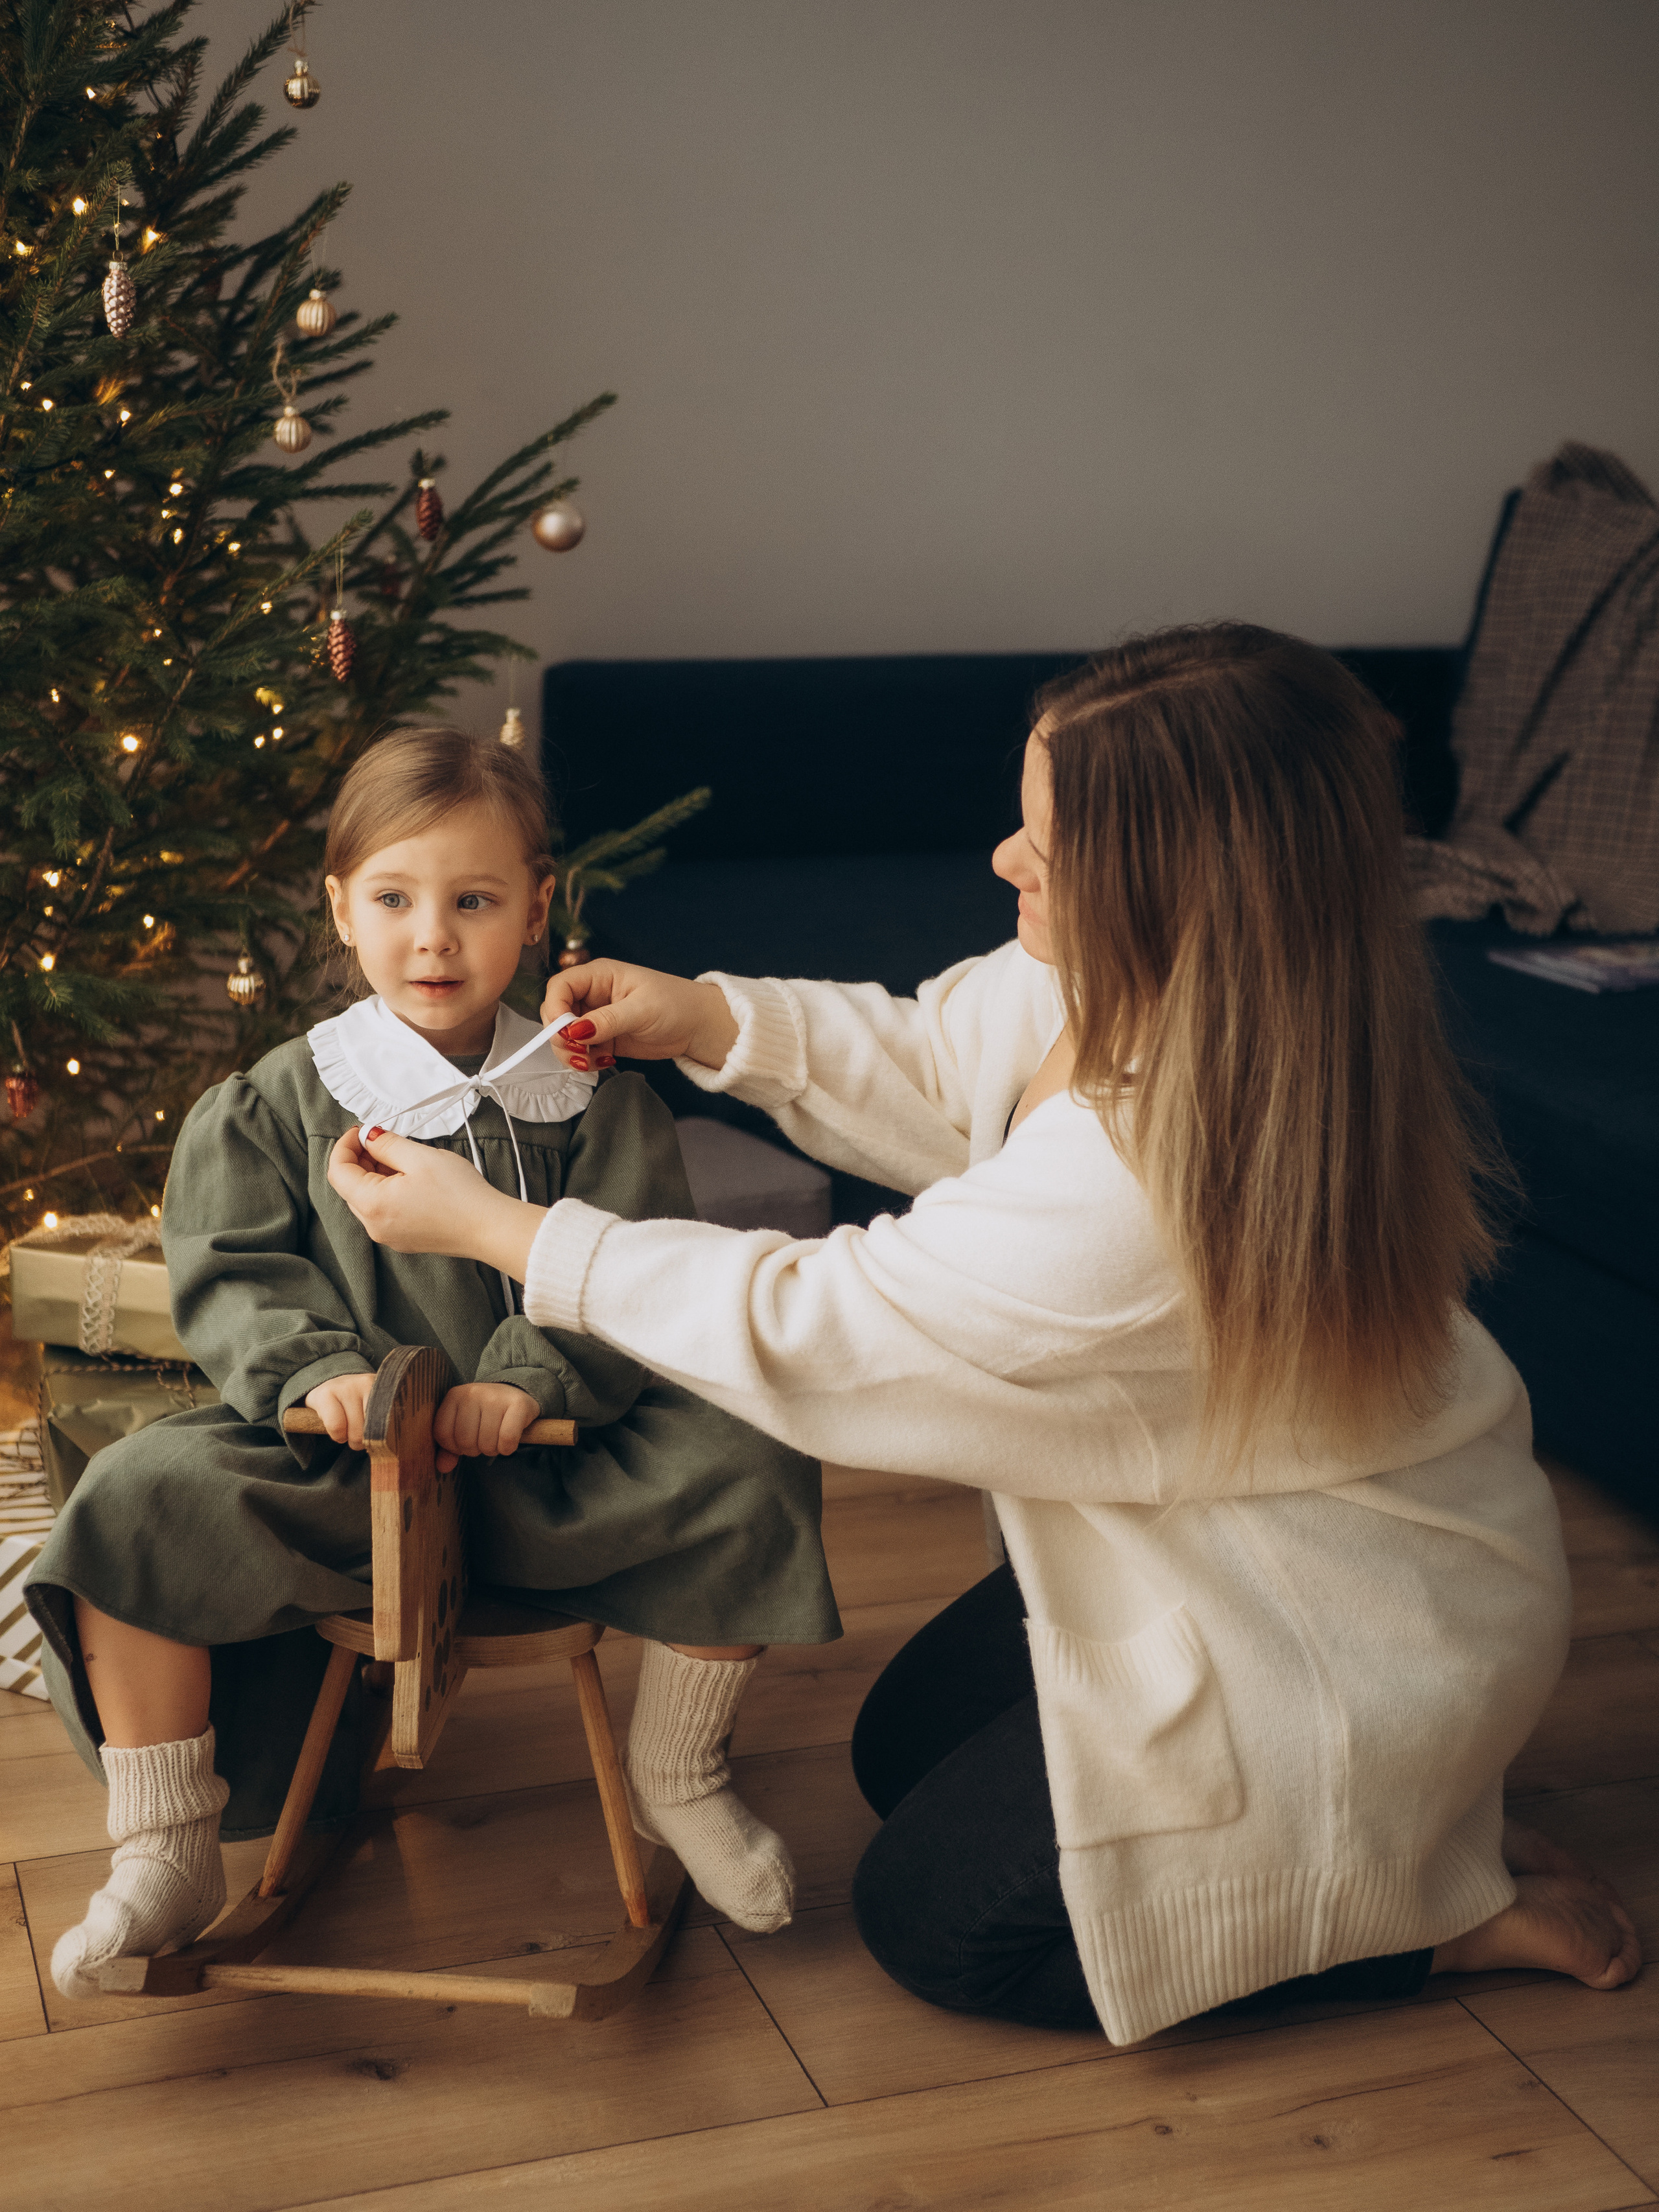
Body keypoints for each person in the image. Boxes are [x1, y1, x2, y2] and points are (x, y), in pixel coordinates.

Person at [325, 629, 1641, 2046]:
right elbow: (939, 1056)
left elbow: (831, 1330)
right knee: (898, 1753)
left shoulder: (1158, 1167)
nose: (1006, 858)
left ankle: (1431, 1918)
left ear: (1177, 883)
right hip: (1232, 1535)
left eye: (1049, 849)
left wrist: (508, 1238)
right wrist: (710, 1022)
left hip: (1345, 1626)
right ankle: (1415, 1834)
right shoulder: (1127, 980)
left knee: (936, 1925)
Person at [28, 727, 838, 2003]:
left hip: (554, 1468)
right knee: (132, 1499)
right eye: (396, 901)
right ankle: (166, 1842)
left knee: (750, 1459)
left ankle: (679, 1774)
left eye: (474, 902)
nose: (434, 939)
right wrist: (318, 1373)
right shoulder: (279, 1099)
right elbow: (235, 1268)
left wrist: (530, 1377)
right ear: (343, 909)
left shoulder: (593, 1100)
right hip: (338, 1469)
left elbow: (630, 1259)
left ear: (536, 909)